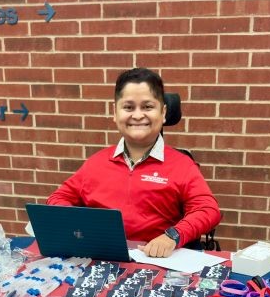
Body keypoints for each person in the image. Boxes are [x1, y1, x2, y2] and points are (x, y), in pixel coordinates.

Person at [46, 67, 221, 258]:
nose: (137, 115)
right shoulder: (96, 163)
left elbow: (208, 210)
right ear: (115, 112)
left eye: (147, 107)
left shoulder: (182, 165)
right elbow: (58, 198)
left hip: (157, 262)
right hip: (103, 259)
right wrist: (81, 225)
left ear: (163, 112)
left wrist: (172, 236)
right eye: (128, 107)